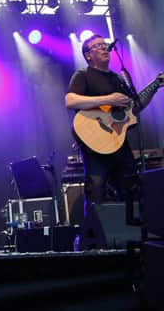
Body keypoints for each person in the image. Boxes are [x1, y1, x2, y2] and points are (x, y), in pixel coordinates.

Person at [65, 34, 162, 218]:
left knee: (132, 190)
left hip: (118, 143)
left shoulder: (118, 79)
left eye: (104, 44)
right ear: (88, 55)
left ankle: (134, 236)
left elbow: (135, 106)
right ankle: (94, 240)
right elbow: (70, 101)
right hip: (95, 145)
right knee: (96, 191)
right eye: (98, 46)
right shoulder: (83, 75)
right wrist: (108, 99)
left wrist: (155, 86)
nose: (104, 48)